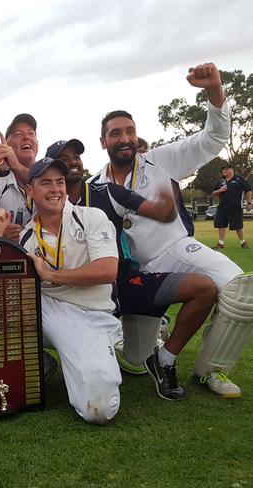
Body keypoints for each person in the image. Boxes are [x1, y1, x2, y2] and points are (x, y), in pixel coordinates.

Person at [92, 63, 250, 397]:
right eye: (116, 133)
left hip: (177, 252)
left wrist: (214, 91)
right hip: (138, 276)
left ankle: (204, 369)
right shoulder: (95, 185)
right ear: (103, 140)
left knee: (240, 291)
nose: (125, 138)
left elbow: (213, 138)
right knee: (134, 357)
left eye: (130, 131)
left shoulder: (161, 160)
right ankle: (144, 348)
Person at [49, 139, 219, 400]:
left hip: (124, 284)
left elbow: (146, 206)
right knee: (125, 363)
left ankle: (164, 360)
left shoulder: (105, 191)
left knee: (204, 288)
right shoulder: (45, 207)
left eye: (76, 156)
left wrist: (162, 203)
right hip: (83, 299)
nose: (72, 161)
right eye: (64, 158)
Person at [16, 157, 122, 424]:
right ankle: (38, 361)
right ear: (30, 190)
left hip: (92, 314)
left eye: (60, 182)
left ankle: (103, 345)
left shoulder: (91, 217)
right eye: (46, 183)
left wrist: (50, 274)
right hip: (49, 309)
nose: (55, 189)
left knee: (99, 410)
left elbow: (108, 271)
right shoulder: (25, 237)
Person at [212, 164, 252, 249]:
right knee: (221, 225)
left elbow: (248, 190)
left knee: (238, 226)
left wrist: (249, 202)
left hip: (235, 207)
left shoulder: (239, 179)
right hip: (222, 207)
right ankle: (220, 243)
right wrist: (220, 190)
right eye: (223, 169)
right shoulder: (220, 181)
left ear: (232, 170)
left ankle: (243, 242)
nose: (224, 171)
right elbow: (213, 193)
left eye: (226, 169)